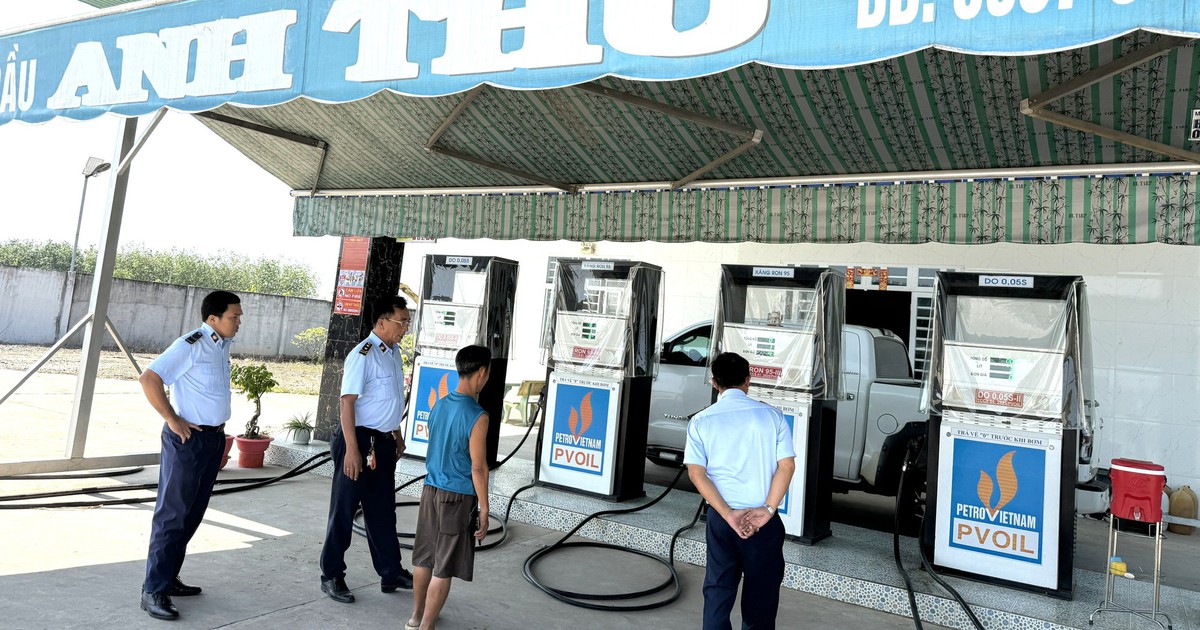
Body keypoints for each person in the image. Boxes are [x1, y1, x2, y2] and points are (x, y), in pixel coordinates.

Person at [137, 290, 243, 621]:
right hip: (187, 440)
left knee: (193, 512)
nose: (239, 322)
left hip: (212, 439)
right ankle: (153, 590)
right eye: (234, 317)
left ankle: (169, 577)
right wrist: (172, 418)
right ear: (212, 318)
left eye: (239, 317)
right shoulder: (191, 344)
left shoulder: (221, 346)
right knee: (172, 514)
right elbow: (149, 378)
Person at [684, 351, 796, 630]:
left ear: (714, 383)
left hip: (723, 521)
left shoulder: (701, 420)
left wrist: (728, 514)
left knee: (718, 590)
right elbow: (787, 466)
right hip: (763, 523)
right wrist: (767, 510)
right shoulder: (773, 416)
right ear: (748, 380)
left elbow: (696, 473)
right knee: (762, 596)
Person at [319, 296, 415, 603]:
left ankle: (391, 572)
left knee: (383, 510)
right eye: (402, 322)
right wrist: (351, 450)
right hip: (358, 441)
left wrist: (396, 434)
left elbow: (388, 401)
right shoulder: (364, 354)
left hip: (383, 442)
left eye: (408, 322)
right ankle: (331, 574)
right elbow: (347, 402)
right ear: (383, 322)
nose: (406, 327)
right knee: (344, 510)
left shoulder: (393, 353)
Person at [406, 345, 491, 630]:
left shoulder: (439, 405)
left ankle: (416, 617)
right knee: (444, 566)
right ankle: (426, 627)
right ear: (482, 372)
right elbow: (478, 468)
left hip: (430, 490)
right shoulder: (478, 416)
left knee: (424, 557)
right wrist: (484, 508)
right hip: (458, 497)